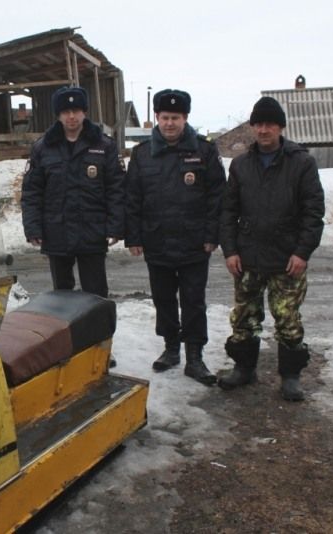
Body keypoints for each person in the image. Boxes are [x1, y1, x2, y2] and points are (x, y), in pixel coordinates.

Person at [218, 96, 325, 401]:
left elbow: (313, 213)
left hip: (286, 258)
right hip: (247, 257)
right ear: (252, 127)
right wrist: (231, 251)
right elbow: (228, 212)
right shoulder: (241, 165)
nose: (264, 130)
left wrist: (302, 252)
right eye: (259, 124)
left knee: (287, 318)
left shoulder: (301, 163)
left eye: (270, 124)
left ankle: (290, 376)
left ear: (280, 127)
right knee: (244, 318)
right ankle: (244, 368)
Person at [125, 89, 226, 385]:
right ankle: (171, 349)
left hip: (195, 242)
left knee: (194, 301)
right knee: (164, 299)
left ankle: (195, 357)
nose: (170, 123)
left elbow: (217, 197)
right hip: (157, 240)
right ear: (156, 118)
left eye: (176, 118)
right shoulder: (142, 154)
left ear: (186, 118)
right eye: (165, 117)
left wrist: (212, 235)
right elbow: (132, 198)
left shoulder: (205, 151)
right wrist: (134, 237)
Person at [21, 86, 125, 299]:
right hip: (56, 231)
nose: (71, 116)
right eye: (66, 112)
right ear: (58, 115)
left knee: (95, 295)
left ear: (84, 112)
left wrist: (115, 226)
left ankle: (98, 333)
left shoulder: (104, 145)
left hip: (92, 231)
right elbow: (32, 191)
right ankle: (64, 332)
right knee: (61, 295)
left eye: (76, 110)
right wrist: (33, 228)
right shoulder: (43, 148)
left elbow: (117, 189)